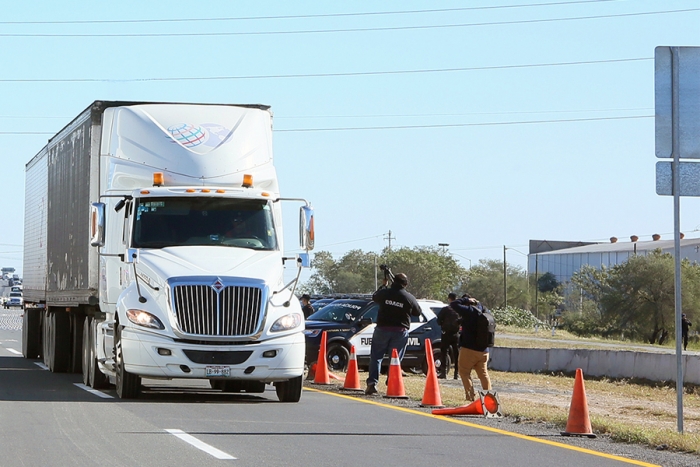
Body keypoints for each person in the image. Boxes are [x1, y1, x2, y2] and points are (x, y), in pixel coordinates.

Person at [365, 273, 422, 395]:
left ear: (392, 282)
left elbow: (374, 297)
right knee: (395, 359)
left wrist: (383, 286)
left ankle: (372, 384)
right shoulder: (408, 297)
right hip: (400, 332)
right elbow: (417, 312)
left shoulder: (385, 293)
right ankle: (392, 382)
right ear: (405, 284)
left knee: (376, 357)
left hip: (382, 329)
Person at [451, 294, 493, 401]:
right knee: (483, 374)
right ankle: (490, 400)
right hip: (484, 350)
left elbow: (453, 304)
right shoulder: (485, 310)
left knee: (464, 372)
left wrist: (465, 300)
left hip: (469, 349)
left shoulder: (469, 311)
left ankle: (470, 398)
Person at [436, 292, 460, 379]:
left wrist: (443, 324)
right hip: (455, 334)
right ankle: (456, 373)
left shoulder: (445, 309)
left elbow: (438, 321)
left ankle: (444, 372)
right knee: (456, 353)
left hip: (446, 333)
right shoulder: (459, 310)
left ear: (449, 299)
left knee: (444, 352)